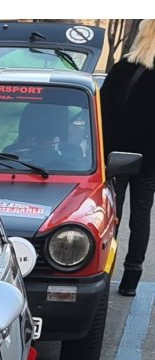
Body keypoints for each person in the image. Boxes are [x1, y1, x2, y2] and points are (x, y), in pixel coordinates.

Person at [101, 20, 155, 297]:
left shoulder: (122, 69)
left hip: (117, 154)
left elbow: (101, 110)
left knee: (113, 214)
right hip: (150, 158)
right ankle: (131, 278)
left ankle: (104, 272)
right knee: (142, 216)